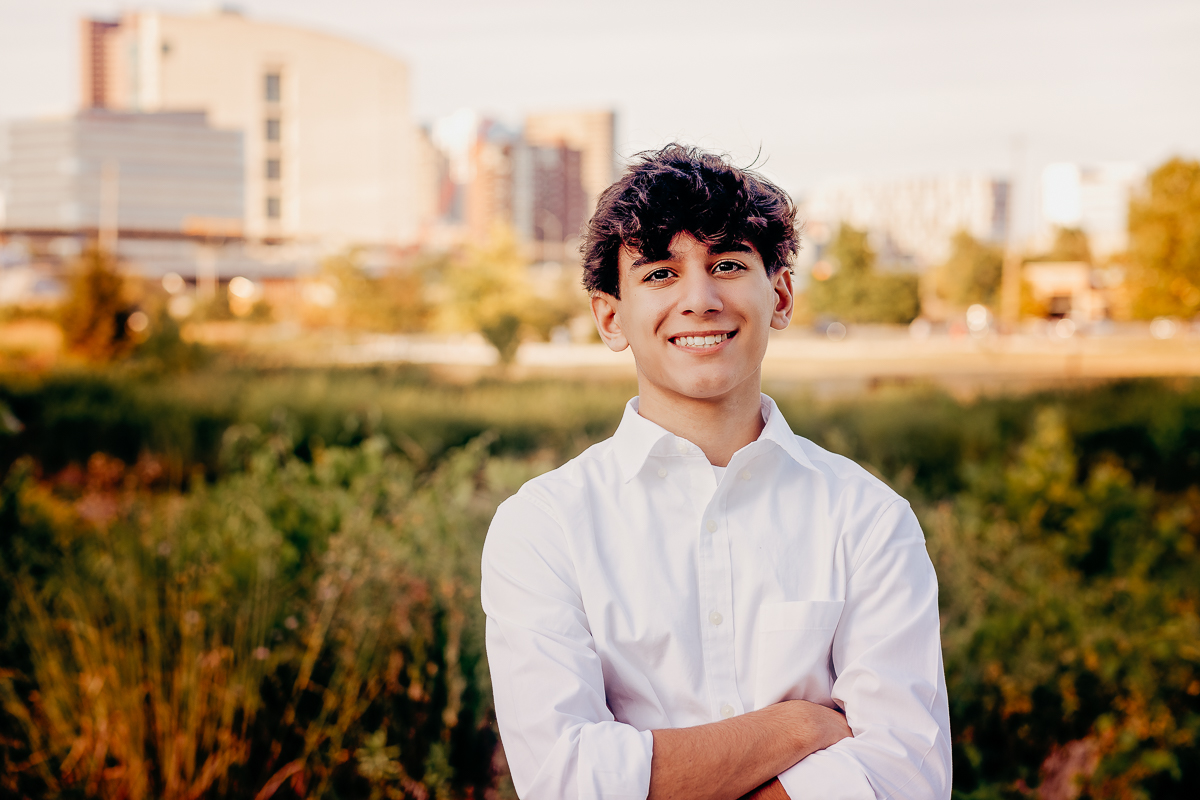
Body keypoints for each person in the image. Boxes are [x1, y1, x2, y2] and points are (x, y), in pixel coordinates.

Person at [481, 145, 951, 800]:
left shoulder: (867, 517)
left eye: (728, 264)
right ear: (610, 317)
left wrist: (644, 775)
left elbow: (908, 779)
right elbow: (565, 781)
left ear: (781, 294)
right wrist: (794, 728)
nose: (700, 300)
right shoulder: (543, 527)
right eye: (659, 274)